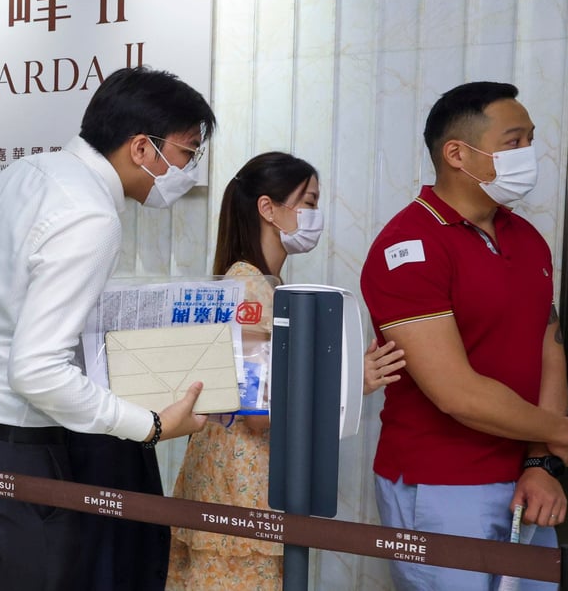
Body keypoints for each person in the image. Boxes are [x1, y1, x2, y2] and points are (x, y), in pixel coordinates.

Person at [0, 66, 216, 591]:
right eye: (187, 152)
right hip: (11, 447)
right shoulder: (91, 216)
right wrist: (149, 425)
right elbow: (36, 371)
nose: (188, 169)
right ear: (142, 148)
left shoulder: (28, 172)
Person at [359, 82, 568, 590]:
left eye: (530, 140)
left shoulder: (527, 239)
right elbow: (456, 393)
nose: (529, 154)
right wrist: (559, 430)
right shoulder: (408, 246)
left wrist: (542, 460)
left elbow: (549, 351)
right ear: (457, 154)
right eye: (514, 141)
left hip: (527, 480)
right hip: (443, 485)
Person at [166, 152, 405, 590]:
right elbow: (259, 414)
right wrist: (348, 383)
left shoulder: (255, 286)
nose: (315, 216)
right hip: (241, 497)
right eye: (308, 202)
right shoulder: (249, 290)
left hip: (231, 491)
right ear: (268, 208)